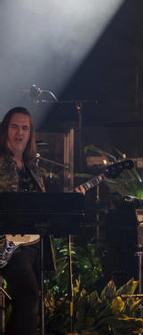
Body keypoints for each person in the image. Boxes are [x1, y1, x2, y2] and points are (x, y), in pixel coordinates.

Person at [0, 106, 44, 334]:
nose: (20, 133)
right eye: (15, 127)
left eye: (25, 128)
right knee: (28, 295)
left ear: (30, 133)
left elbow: (42, 206)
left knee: (31, 299)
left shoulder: (32, 167)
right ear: (6, 129)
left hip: (32, 245)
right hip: (6, 244)